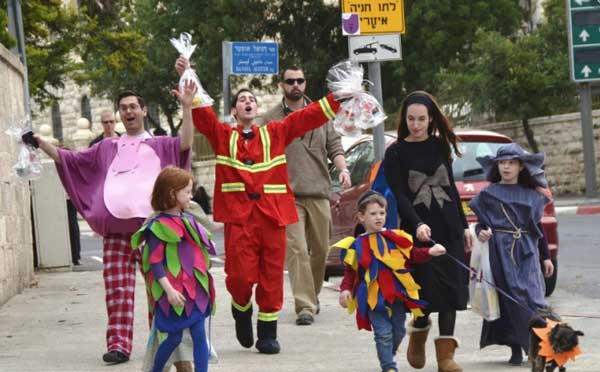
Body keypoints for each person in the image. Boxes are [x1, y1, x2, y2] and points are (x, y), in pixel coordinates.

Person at [176, 55, 341, 354]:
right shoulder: (223, 135)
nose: (248, 102)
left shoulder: (276, 132)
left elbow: (309, 116)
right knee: (240, 278)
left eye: (252, 99)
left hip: (273, 218)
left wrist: (339, 95)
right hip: (240, 220)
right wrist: (189, 75)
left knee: (272, 277)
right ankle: (242, 310)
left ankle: (267, 332)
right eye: (242, 100)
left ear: (257, 108)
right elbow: (204, 116)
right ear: (236, 111)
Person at [35, 83, 197, 367]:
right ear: (119, 115)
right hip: (116, 235)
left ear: (144, 111)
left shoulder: (161, 143)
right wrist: (41, 143)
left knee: (158, 291)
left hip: (154, 233)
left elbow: (185, 142)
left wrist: (186, 106)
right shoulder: (107, 147)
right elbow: (71, 160)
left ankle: (160, 341)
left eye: (133, 106)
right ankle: (119, 345)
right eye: (123, 108)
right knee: (117, 290)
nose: (128, 111)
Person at [383, 91, 473, 372]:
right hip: (418, 229)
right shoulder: (395, 152)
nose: (416, 124)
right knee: (423, 291)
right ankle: (419, 332)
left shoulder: (439, 145)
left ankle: (445, 357)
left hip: (449, 227)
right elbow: (399, 195)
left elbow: (451, 189)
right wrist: (417, 223)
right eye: (411, 119)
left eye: (422, 119)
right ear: (404, 119)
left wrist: (465, 225)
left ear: (431, 118)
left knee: (451, 291)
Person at [259, 66, 351, 326]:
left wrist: (343, 169)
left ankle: (312, 295)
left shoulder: (322, 113)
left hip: (319, 191)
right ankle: (305, 306)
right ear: (282, 85)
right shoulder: (270, 118)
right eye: (290, 81)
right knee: (297, 249)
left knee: (321, 249)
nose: (295, 85)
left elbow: (335, 146)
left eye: (300, 80)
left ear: (306, 83)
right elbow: (262, 153)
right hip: (286, 195)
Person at [336, 191, 446, 372]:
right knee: (383, 333)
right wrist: (345, 290)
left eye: (382, 213)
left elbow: (411, 255)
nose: (378, 218)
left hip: (396, 294)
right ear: (361, 217)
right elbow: (351, 272)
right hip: (372, 298)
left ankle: (387, 353)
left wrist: (430, 251)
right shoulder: (356, 245)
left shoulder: (396, 237)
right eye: (373, 214)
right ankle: (389, 367)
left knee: (399, 331)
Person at [468, 143, 554, 366]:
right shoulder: (488, 194)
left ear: (521, 167)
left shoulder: (532, 195)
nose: (506, 167)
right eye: (502, 163)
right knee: (507, 298)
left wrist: (545, 257)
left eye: (511, 163)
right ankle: (516, 347)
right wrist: (482, 232)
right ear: (497, 166)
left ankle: (538, 345)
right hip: (499, 251)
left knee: (532, 297)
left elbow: (538, 228)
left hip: (526, 251)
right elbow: (481, 224)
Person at [132, 166, 215, 372]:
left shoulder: (189, 221)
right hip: (173, 292)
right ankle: (156, 370)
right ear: (171, 194)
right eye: (187, 191)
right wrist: (168, 290)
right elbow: (155, 262)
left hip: (193, 290)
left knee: (199, 336)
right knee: (173, 338)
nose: (191, 195)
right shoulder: (157, 226)